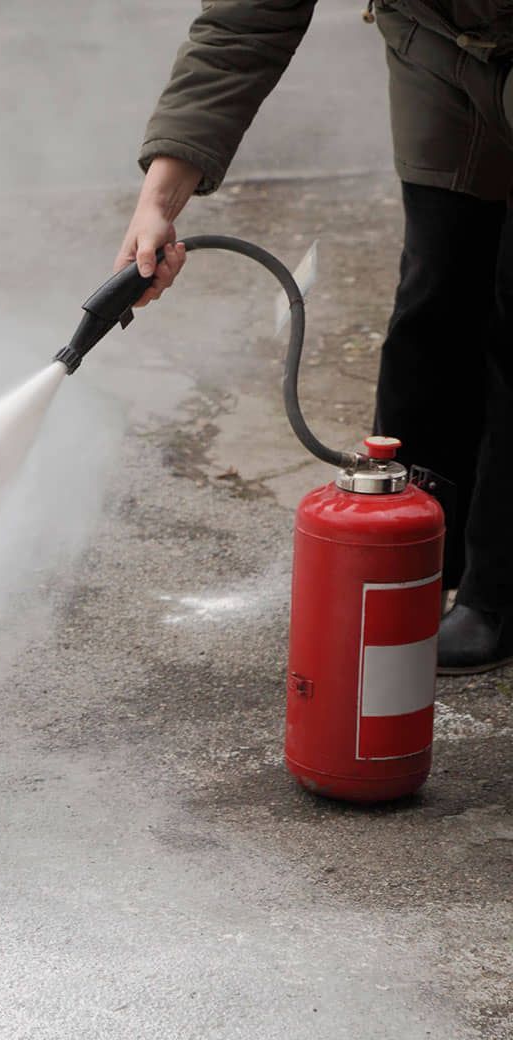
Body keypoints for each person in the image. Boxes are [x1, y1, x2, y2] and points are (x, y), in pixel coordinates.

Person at [121, 0, 513, 674]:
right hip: (436, 42)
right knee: (436, 289)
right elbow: (245, 19)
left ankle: (498, 589)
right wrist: (159, 198)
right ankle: (415, 549)